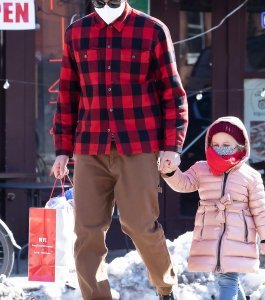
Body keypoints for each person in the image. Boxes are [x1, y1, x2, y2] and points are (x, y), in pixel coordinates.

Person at [50, 0, 188, 299]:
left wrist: (171, 146)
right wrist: (62, 148)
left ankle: (166, 290)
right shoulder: (76, 33)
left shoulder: (152, 30)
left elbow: (173, 93)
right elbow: (68, 94)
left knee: (140, 226)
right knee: (86, 232)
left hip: (138, 145)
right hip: (89, 147)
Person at [160, 116, 265, 300]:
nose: (220, 148)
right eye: (216, 143)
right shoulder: (201, 169)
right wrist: (171, 172)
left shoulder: (250, 176)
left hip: (238, 235)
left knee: (227, 279)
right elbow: (184, 184)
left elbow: (260, 209)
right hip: (210, 233)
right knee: (227, 277)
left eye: (227, 143)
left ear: (241, 145)